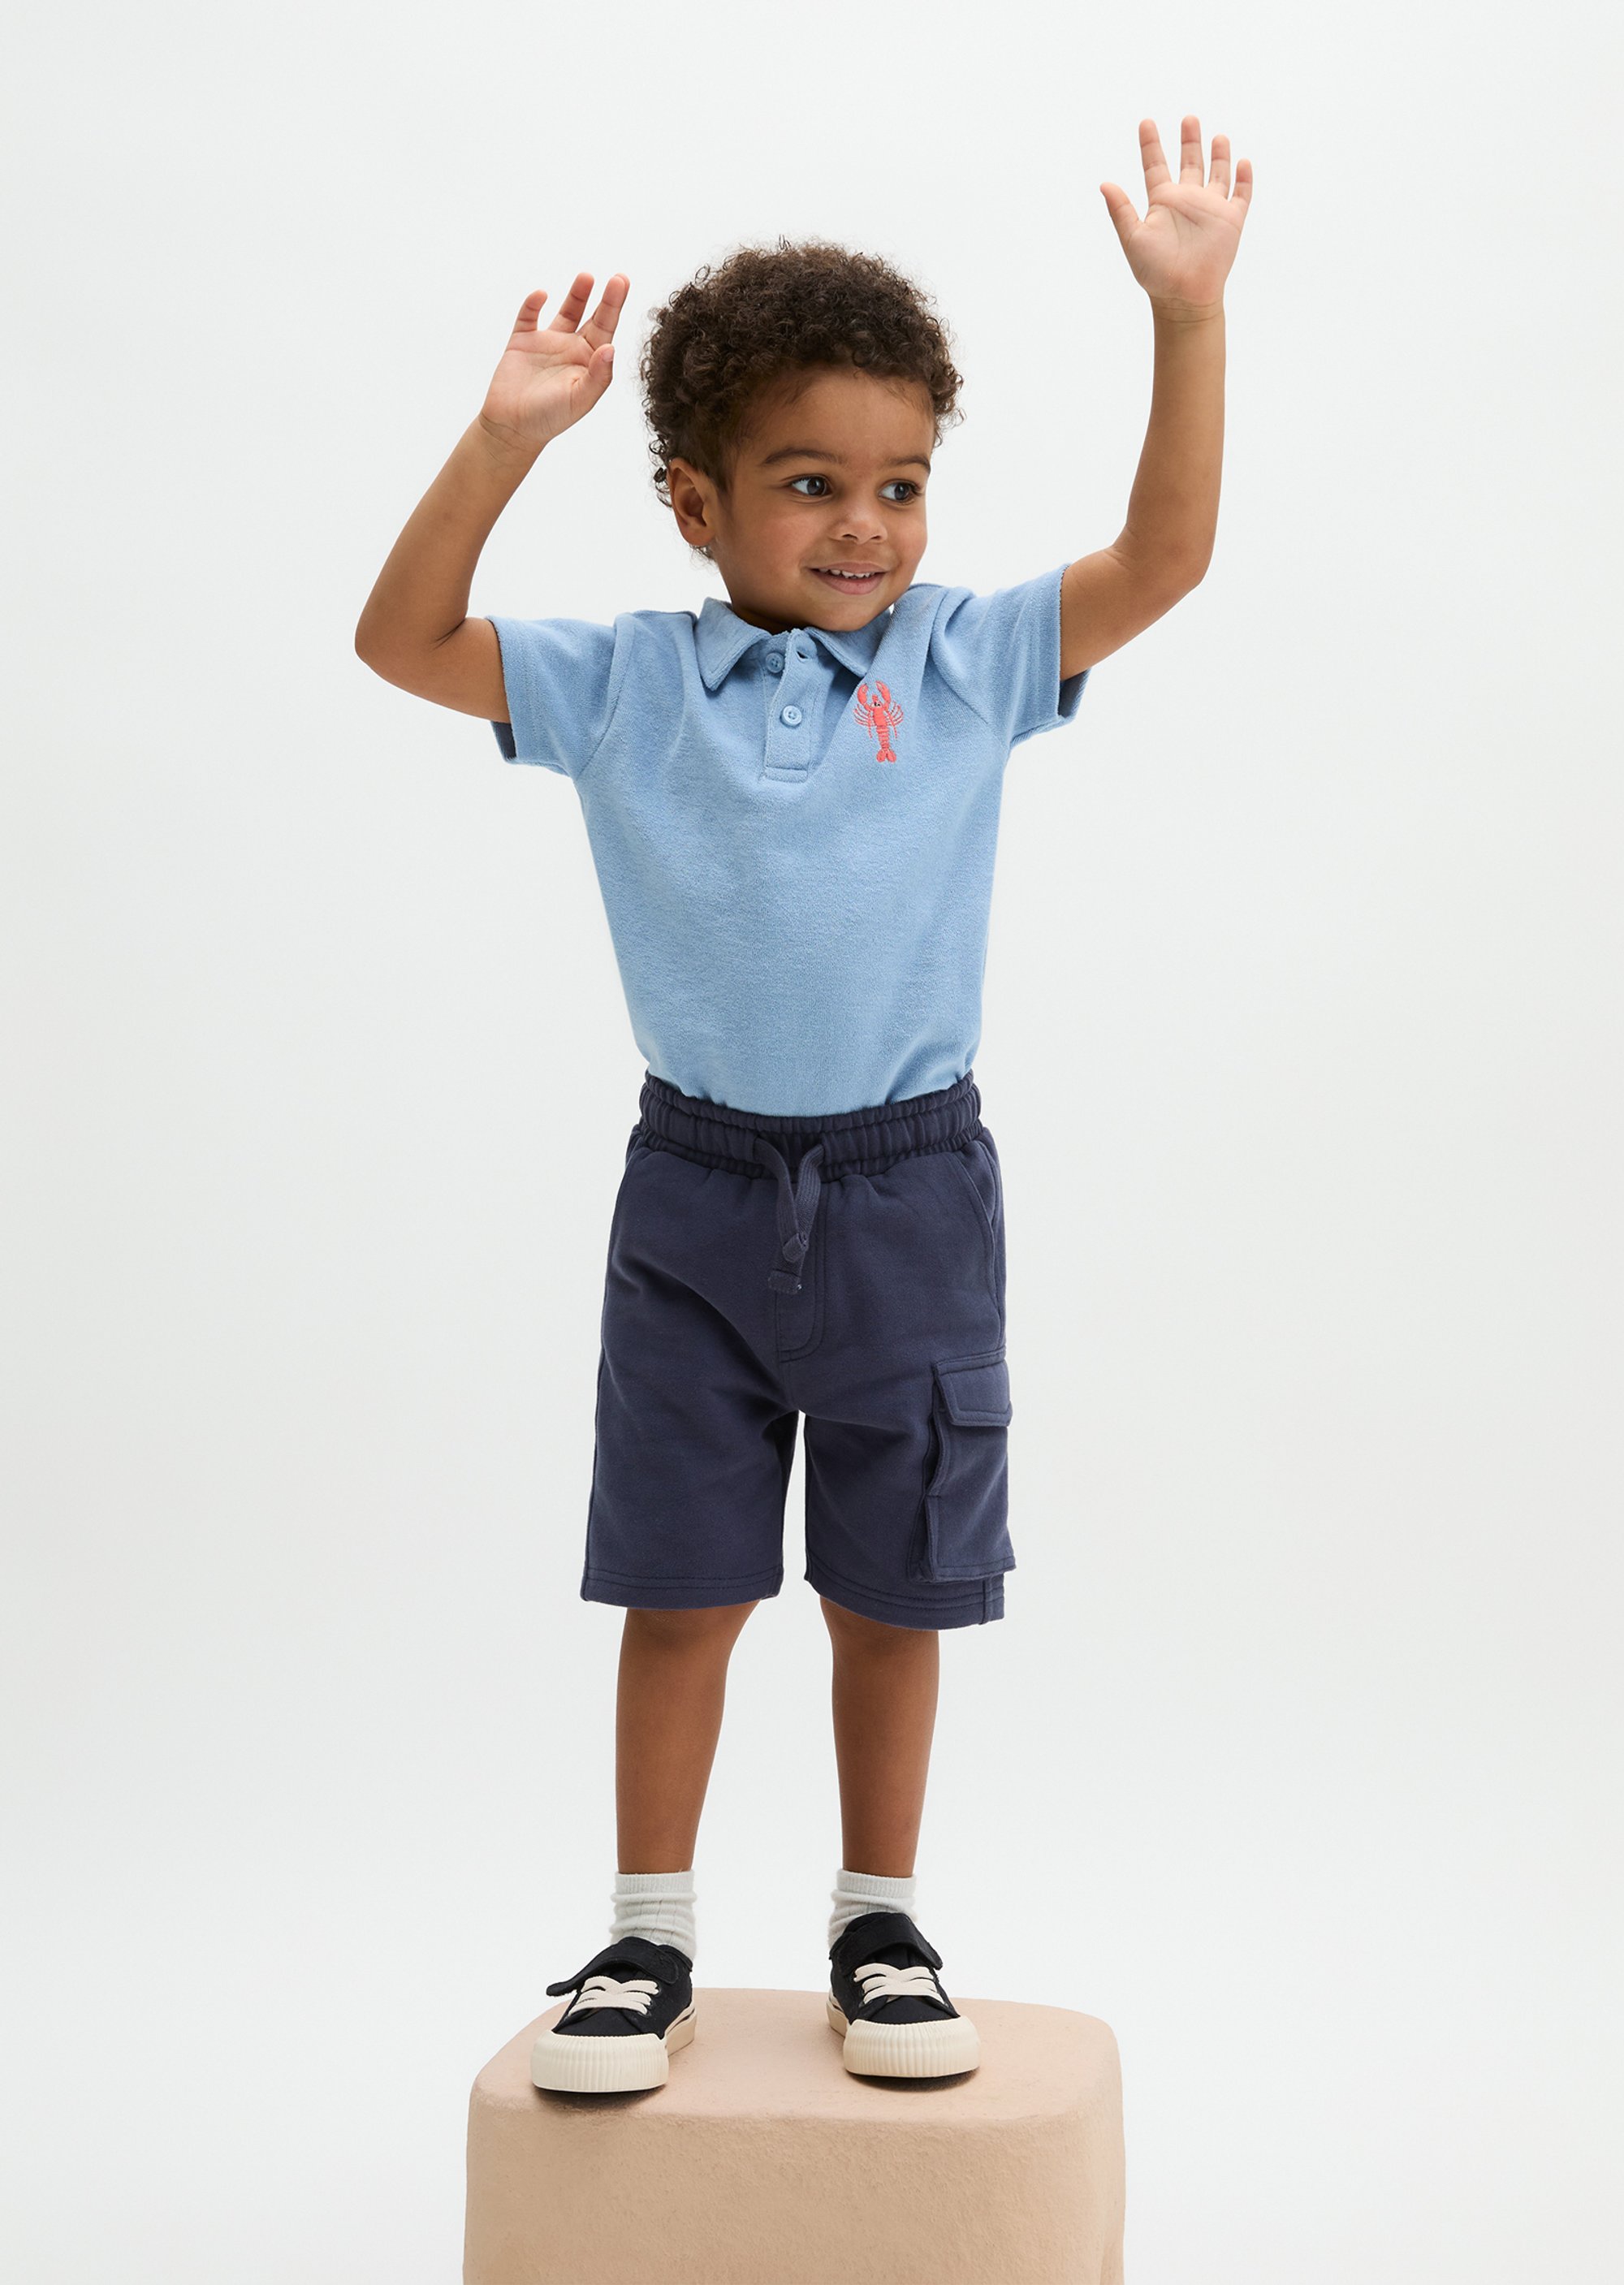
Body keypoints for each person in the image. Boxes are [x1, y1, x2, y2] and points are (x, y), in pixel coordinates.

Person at [355, 115, 1251, 2096]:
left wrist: (1187, 317)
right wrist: (501, 440)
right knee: (680, 1590)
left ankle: (879, 1924)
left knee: (886, 1589)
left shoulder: (967, 659)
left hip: (909, 1192)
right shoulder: (624, 684)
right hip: (692, 1192)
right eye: (811, 484)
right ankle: (644, 1939)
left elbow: (1166, 557)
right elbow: (399, 642)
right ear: (693, 502)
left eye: (901, 485)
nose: (867, 527)